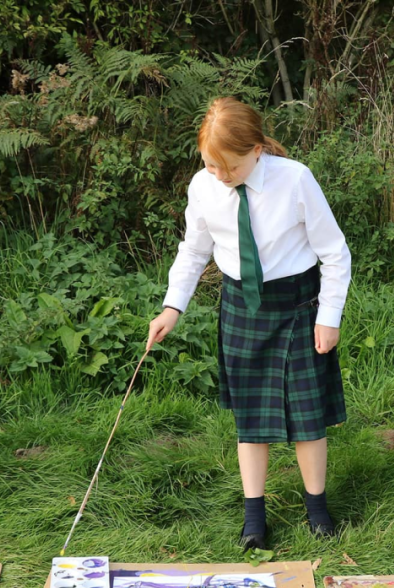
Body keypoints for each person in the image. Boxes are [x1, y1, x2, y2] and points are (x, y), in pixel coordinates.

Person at [148, 97, 352, 550]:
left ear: (257, 149)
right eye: (210, 165)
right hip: (242, 307)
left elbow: (334, 253)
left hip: (300, 305)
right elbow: (194, 250)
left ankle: (317, 509)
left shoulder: (295, 179)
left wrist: (329, 316)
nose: (220, 175)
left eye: (230, 166)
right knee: (251, 419)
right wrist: (171, 307)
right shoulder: (203, 187)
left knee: (307, 416)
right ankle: (254, 518)